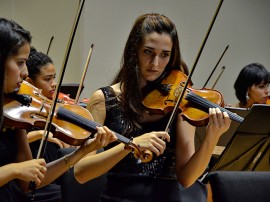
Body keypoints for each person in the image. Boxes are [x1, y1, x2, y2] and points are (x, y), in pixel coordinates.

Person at [74, 13, 231, 202]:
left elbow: (187, 179)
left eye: (165, 55)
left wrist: (211, 138)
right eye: (148, 52)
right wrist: (129, 146)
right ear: (134, 51)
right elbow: (81, 173)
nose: (155, 64)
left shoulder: (179, 102)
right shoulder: (103, 100)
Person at [0, 17, 116, 202]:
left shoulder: (14, 115)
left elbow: (29, 183)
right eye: (20, 62)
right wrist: (14, 170)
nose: (26, 73)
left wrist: (82, 152)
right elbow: (20, 171)